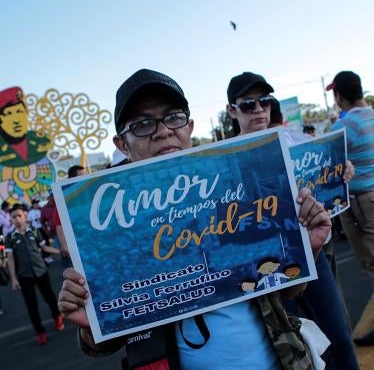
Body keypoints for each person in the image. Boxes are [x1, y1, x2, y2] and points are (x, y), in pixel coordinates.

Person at [58, 69, 332, 369]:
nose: (163, 131)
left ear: (189, 126)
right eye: (142, 124)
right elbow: (104, 343)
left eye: (173, 117)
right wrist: (91, 325)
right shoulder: (107, 229)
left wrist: (308, 249)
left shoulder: (236, 190)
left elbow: (285, 288)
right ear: (122, 144)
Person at [226, 71, 359, 369]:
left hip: (311, 254)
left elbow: (331, 167)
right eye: (249, 104)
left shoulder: (295, 139)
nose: (259, 109)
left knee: (336, 332)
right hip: (264, 264)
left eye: (265, 102)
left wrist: (343, 169)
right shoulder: (224, 158)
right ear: (232, 110)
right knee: (292, 346)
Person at [327, 70, 374, 346]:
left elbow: (325, 155)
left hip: (361, 202)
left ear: (339, 96)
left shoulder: (347, 126)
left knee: (371, 262)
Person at [5, 204, 64, 344]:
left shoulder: (35, 231)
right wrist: (13, 279)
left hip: (41, 270)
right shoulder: (10, 237)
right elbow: (10, 259)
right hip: (24, 275)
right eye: (14, 217)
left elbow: (44, 247)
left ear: (25, 216)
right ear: (11, 220)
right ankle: (40, 331)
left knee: (50, 297)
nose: (17, 219)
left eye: (19, 216)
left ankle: (57, 318)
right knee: (32, 305)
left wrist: (60, 251)